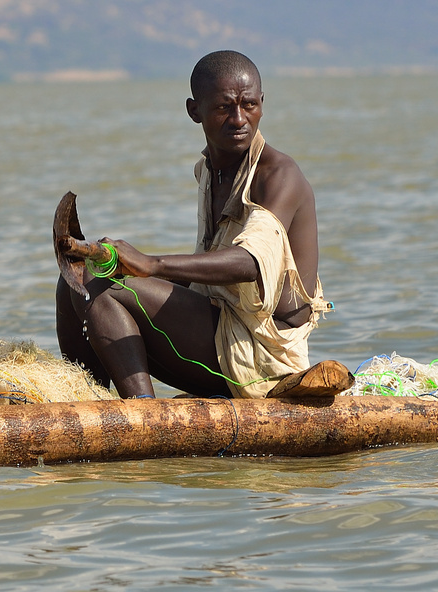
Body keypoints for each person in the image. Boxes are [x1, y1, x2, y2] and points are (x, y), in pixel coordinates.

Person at [55, 50, 329, 398]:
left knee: (100, 282)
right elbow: (212, 273)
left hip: (265, 356)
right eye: (224, 107)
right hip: (224, 335)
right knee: (75, 280)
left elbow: (248, 263)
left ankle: (144, 417)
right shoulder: (209, 172)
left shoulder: (278, 175)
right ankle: (92, 401)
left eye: (249, 105)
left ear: (262, 103)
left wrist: (151, 264)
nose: (239, 118)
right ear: (194, 111)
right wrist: (129, 264)